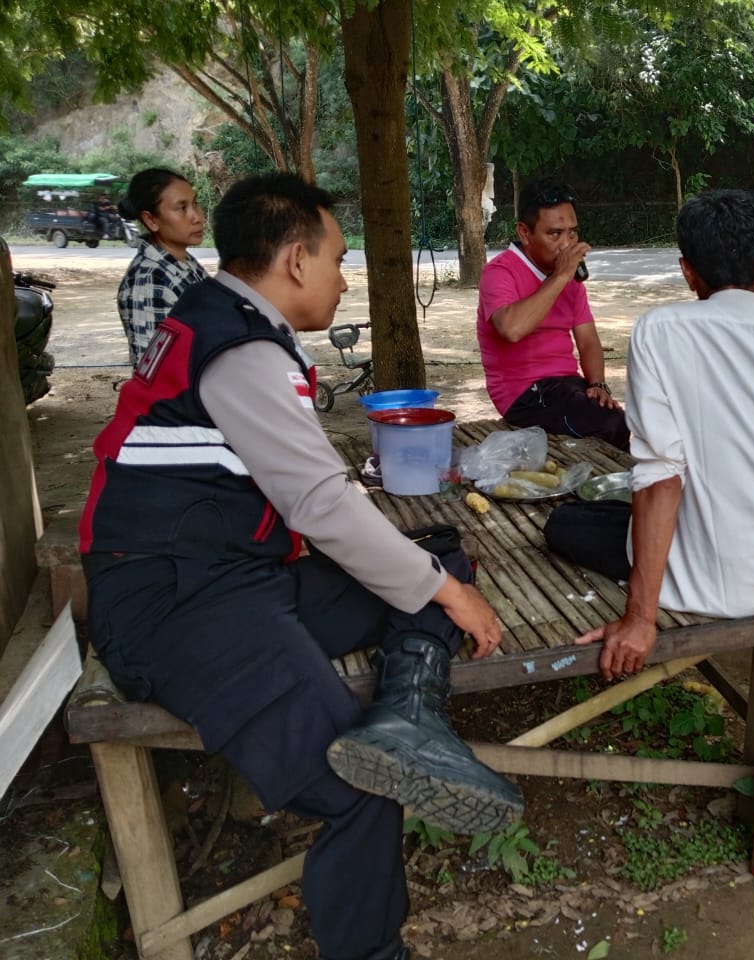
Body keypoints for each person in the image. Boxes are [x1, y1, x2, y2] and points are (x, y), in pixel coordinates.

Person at [80, 173, 522, 960]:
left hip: (235, 571)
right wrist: (451, 594)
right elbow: (320, 505)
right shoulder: (241, 346)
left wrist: (439, 581)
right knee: (362, 788)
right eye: (339, 259)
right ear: (293, 261)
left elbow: (310, 497)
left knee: (436, 556)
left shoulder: (219, 317)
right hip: (177, 603)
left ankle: (407, 722)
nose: (345, 277)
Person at [543, 189, 754, 728]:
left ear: (687, 271)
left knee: (567, 522)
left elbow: (660, 476)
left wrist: (639, 618)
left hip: (711, 582)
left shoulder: (661, 331)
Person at [476, 177, 629, 450]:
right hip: (523, 393)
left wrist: (598, 385)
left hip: (566, 385)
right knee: (612, 425)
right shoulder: (500, 272)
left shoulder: (569, 277)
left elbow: (588, 340)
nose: (567, 243)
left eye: (572, 233)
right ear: (524, 233)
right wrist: (559, 277)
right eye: (555, 234)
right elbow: (511, 329)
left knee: (631, 421)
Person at [116, 168, 208, 367]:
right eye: (181, 208)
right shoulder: (149, 281)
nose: (197, 217)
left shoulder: (186, 264)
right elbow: (155, 373)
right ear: (151, 220)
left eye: (195, 204)